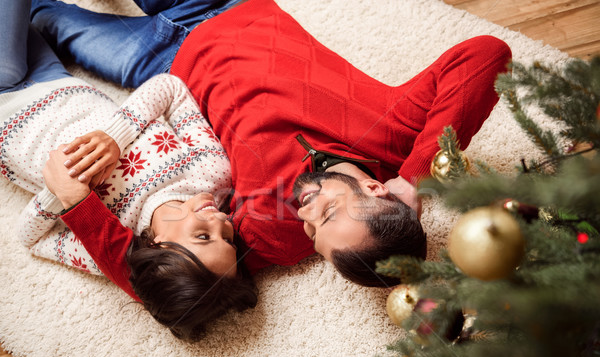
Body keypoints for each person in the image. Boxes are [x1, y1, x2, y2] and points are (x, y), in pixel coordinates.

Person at [30, 0, 512, 287]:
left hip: (163, 63)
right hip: (229, 8)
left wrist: (78, 207)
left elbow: (164, 288)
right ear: (380, 189)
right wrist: (417, 178)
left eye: (313, 236)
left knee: (42, 19)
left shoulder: (272, 237)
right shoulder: (401, 135)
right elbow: (487, 55)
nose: (304, 214)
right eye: (325, 212)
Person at [1, 0, 257, 342]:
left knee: (8, 66)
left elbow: (29, 238)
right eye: (228, 239)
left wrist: (62, 189)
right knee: (33, 17)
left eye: (204, 236)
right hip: (55, 80)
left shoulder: (111, 240)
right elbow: (172, 89)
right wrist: (115, 137)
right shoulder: (211, 174)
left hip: (6, 117)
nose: (221, 222)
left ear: (161, 249)